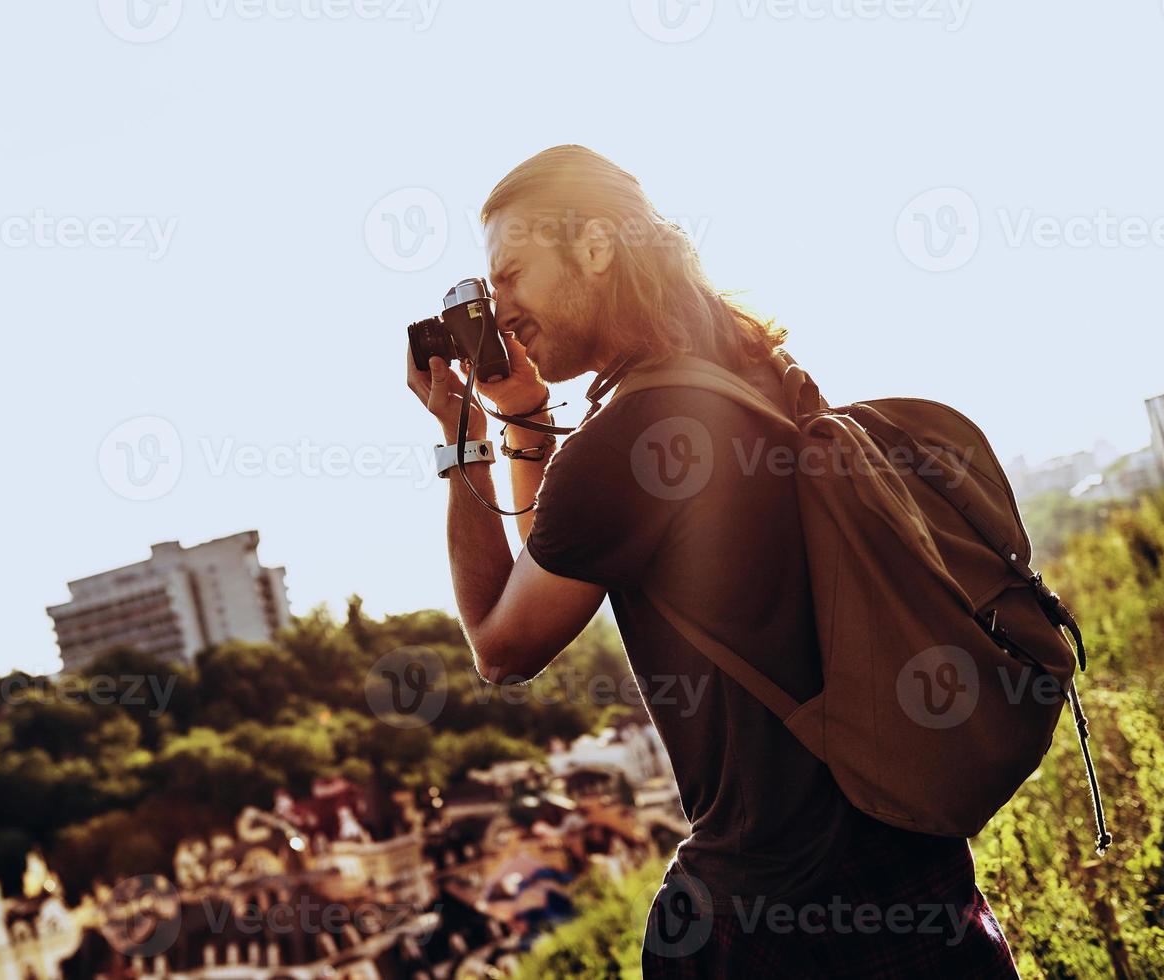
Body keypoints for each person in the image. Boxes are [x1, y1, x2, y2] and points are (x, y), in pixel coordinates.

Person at [405, 145, 1019, 977]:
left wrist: (463, 442)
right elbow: (554, 548)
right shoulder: (753, 373)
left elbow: (500, 645)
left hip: (776, 918)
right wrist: (526, 419)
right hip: (920, 876)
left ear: (594, 246)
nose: (497, 307)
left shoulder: (622, 443)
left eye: (511, 273)